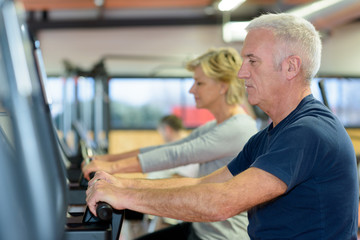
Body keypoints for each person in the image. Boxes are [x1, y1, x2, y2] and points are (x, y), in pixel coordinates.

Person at [87, 13, 359, 239]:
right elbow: (205, 184)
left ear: (291, 67)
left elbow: (221, 202)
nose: (242, 72)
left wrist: (125, 197)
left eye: (252, 61)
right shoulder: (268, 136)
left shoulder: (308, 131)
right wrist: (122, 185)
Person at [84, 47, 258, 239]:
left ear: (222, 86)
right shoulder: (216, 125)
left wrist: (113, 168)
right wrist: (104, 160)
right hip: (200, 229)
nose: (192, 89)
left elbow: (178, 154)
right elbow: (168, 147)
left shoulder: (239, 127)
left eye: (199, 83)